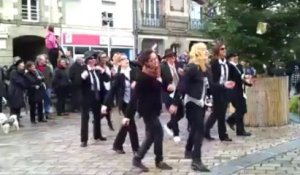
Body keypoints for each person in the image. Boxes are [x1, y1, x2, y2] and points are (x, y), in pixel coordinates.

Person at [130, 50, 173, 172]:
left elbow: (163, 86)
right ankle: (159, 160)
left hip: (155, 109)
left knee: (150, 136)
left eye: (156, 59)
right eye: (152, 60)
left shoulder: (157, 72)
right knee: (158, 133)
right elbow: (135, 97)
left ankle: (137, 158)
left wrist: (169, 88)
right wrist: (128, 116)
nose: (156, 62)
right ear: (146, 63)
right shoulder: (142, 77)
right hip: (147, 110)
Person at [182, 42, 216, 172]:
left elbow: (211, 86)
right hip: (192, 103)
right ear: (198, 53)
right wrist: (174, 103)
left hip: (201, 103)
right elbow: (182, 85)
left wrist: (224, 86)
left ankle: (188, 150)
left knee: (196, 128)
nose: (207, 53)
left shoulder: (205, 69)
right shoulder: (192, 68)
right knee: (199, 129)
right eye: (204, 50)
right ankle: (196, 160)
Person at [102, 53, 139, 154]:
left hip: (133, 101)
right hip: (124, 103)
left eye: (127, 58)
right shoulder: (118, 76)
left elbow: (140, 78)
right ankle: (136, 149)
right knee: (131, 124)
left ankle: (117, 144)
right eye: (123, 59)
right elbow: (112, 90)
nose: (126, 60)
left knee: (127, 124)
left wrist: (136, 82)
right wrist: (105, 104)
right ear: (119, 63)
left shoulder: (134, 70)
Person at [205, 43, 235, 141]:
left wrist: (230, 82)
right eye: (222, 49)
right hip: (217, 90)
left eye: (225, 48)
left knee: (217, 113)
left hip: (226, 89)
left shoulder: (226, 62)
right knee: (220, 113)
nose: (224, 50)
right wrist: (221, 85)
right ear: (217, 51)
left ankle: (205, 130)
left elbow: (229, 75)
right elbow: (212, 80)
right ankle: (223, 135)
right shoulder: (214, 62)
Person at [80, 51, 110, 147]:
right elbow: (77, 83)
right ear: (87, 61)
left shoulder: (97, 70)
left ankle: (97, 134)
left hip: (96, 96)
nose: (93, 60)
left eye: (93, 58)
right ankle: (84, 140)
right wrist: (83, 77)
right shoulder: (83, 70)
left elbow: (107, 79)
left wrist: (102, 71)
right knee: (85, 118)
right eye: (90, 59)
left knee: (97, 116)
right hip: (86, 96)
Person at [161, 49, 184, 143]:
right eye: (170, 56)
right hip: (168, 93)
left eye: (173, 56)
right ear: (166, 58)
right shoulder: (163, 67)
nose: (172, 58)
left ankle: (168, 125)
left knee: (181, 113)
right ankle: (176, 134)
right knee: (173, 113)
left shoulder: (179, 65)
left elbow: (183, 79)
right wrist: (167, 86)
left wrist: (183, 74)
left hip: (178, 92)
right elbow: (160, 81)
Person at [226, 53, 252, 136]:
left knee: (242, 109)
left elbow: (241, 78)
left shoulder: (238, 66)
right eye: (234, 56)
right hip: (233, 91)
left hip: (240, 90)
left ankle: (239, 130)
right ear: (230, 58)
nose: (236, 57)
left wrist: (247, 83)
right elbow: (234, 78)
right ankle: (231, 120)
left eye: (237, 56)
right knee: (241, 109)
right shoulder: (229, 66)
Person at [8, 60, 28, 127]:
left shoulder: (21, 72)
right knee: (14, 108)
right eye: (22, 64)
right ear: (18, 65)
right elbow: (20, 82)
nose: (23, 65)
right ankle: (12, 123)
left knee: (18, 108)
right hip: (14, 92)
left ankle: (17, 122)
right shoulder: (14, 72)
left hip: (19, 92)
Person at [97, 52, 114, 131]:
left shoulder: (108, 66)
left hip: (109, 88)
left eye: (105, 57)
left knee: (108, 108)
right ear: (99, 59)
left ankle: (107, 122)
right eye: (102, 57)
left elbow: (111, 77)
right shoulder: (98, 67)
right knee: (106, 108)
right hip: (102, 90)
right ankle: (98, 119)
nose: (104, 59)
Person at [36, 54, 53, 119]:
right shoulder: (36, 68)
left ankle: (47, 112)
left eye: (45, 59)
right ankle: (39, 112)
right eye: (43, 59)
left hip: (48, 86)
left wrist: (50, 84)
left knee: (47, 99)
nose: (45, 61)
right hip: (39, 87)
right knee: (39, 100)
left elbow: (51, 76)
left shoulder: (48, 67)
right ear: (39, 60)